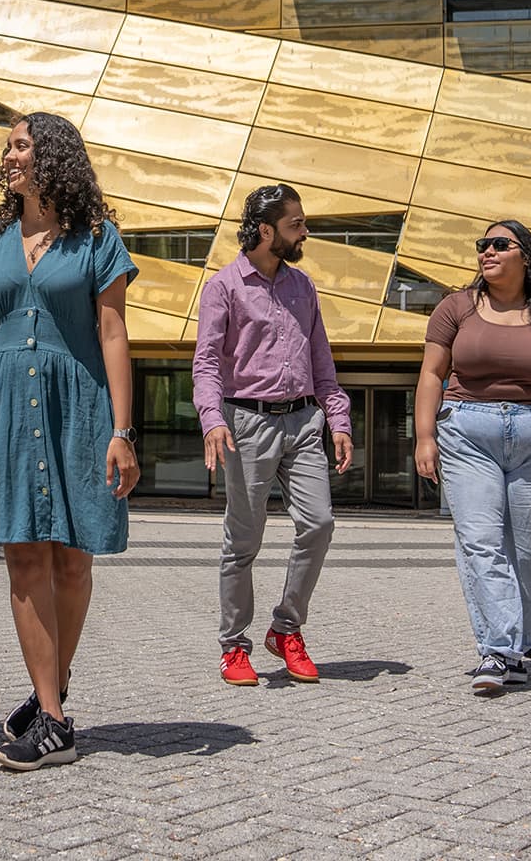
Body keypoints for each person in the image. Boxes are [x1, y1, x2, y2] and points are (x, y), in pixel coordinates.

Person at [0, 111, 139, 772]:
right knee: (27, 560)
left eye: (20, 145)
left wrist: (122, 429)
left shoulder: (97, 239)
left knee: (74, 562)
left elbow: (113, 334)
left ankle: (47, 690)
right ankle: (54, 722)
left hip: (77, 408)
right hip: (3, 404)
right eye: (8, 147)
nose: (9, 156)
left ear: (52, 155)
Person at [415, 218, 531, 694]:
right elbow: (432, 376)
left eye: (500, 244)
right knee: (481, 539)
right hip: (467, 433)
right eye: (482, 245)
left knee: (525, 547)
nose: (487, 252)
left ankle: (518, 647)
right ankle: (499, 649)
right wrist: (424, 437)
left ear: (525, 255)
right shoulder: (455, 308)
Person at [192, 184, 353, 687]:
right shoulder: (224, 287)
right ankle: (234, 645)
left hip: (304, 420)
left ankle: (286, 629)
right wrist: (212, 420)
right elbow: (206, 364)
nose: (305, 232)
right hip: (248, 423)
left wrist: (338, 418)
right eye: (296, 224)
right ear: (265, 230)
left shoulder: (303, 286)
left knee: (319, 523)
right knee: (244, 540)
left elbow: (321, 361)